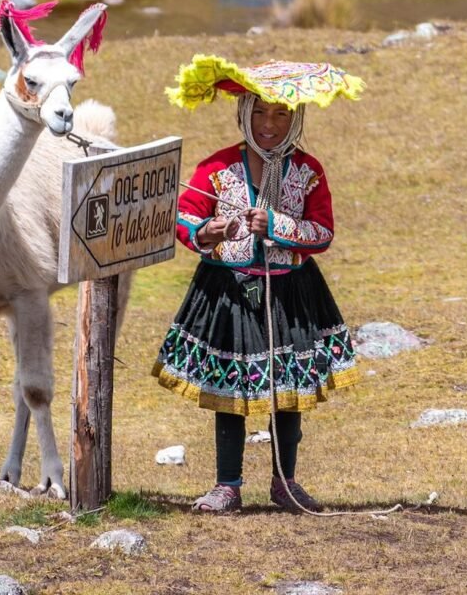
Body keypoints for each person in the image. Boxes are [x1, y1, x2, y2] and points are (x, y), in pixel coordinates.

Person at [152, 56, 363, 513]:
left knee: (286, 392)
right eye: (260, 112)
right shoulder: (217, 167)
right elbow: (185, 218)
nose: (269, 124)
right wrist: (212, 231)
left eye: (281, 113)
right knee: (230, 392)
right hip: (228, 290)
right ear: (244, 112)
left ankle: (285, 483)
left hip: (290, 292)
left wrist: (277, 224)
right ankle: (227, 485)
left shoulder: (308, 172)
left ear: (296, 117)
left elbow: (322, 232)